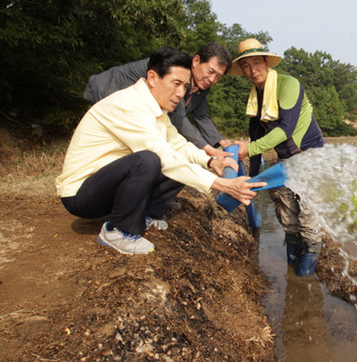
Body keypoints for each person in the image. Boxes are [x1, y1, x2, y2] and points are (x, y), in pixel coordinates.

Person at [56, 46, 265, 255]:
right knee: (147, 160)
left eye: (185, 86)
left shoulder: (156, 108)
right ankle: (118, 231)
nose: (180, 94)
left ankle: (147, 214)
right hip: (82, 195)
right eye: (175, 84)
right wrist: (221, 184)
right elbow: (163, 155)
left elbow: (178, 144)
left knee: (178, 157)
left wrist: (211, 162)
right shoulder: (128, 105)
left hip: (107, 187)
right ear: (153, 78)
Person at [229, 38, 326, 277]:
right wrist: (251, 179)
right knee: (286, 214)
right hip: (284, 160)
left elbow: (286, 129)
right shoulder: (256, 98)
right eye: (246, 66)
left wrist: (248, 149)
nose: (253, 70)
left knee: (306, 212)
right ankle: (292, 270)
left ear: (266, 62)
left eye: (256, 63)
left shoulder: (288, 84)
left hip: (308, 154)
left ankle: (304, 275)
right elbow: (255, 136)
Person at [83, 43, 233, 159]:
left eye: (218, 77)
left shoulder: (202, 86)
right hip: (107, 90)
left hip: (132, 107)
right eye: (211, 71)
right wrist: (207, 149)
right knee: (115, 148)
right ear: (196, 61)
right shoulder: (176, 68)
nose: (212, 80)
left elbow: (202, 116)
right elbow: (178, 116)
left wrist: (222, 143)